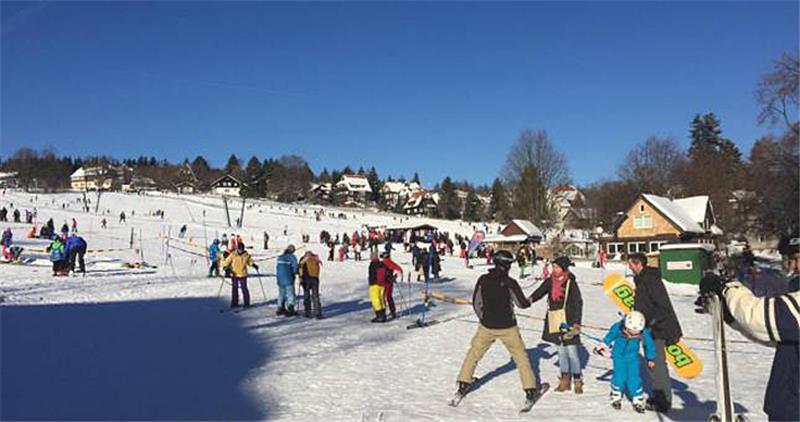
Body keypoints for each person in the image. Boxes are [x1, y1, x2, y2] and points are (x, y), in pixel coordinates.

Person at [699, 232, 799, 422]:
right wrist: (730, 314)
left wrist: (727, 288)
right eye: (791, 260)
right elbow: (775, 332)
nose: (794, 267)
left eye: (797, 259)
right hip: (788, 406)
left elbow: (760, 317)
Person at [454, 250, 544, 404]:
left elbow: (477, 303)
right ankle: (530, 390)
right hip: (508, 327)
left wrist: (484, 318)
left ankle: (463, 382)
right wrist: (530, 300)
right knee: (521, 358)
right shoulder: (510, 282)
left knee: (474, 354)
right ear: (507, 265)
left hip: (486, 326)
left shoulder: (483, 279)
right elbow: (521, 304)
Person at [627, 252, 682, 413]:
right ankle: (659, 396)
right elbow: (646, 304)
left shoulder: (650, 279)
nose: (629, 267)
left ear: (638, 264)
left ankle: (663, 400)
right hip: (648, 328)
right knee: (652, 364)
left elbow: (662, 306)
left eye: (631, 264)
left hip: (659, 329)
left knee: (657, 365)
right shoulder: (641, 280)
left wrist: (650, 323)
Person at [529, 256, 585, 394]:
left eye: (556, 267)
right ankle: (565, 379)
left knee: (572, 352)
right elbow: (540, 292)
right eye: (553, 266)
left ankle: (577, 380)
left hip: (569, 321)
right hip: (554, 320)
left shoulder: (571, 283)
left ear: (563, 268)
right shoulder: (550, 281)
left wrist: (577, 323)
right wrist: (530, 299)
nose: (553, 269)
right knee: (561, 351)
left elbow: (578, 303)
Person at [595, 311, 656, 413]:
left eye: (636, 333)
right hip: (618, 357)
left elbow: (649, 345)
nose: (633, 335)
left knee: (634, 378)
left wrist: (650, 358)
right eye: (631, 332)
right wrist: (602, 345)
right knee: (619, 376)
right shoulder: (618, 328)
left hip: (633, 358)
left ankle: (637, 398)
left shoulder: (643, 332)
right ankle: (616, 394)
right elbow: (609, 336)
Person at [221, 242, 259, 308]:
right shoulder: (233, 254)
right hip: (234, 274)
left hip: (243, 274)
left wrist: (253, 265)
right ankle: (234, 303)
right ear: (237, 248)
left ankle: (247, 303)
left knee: (244, 289)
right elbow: (227, 261)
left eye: (241, 249)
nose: (240, 250)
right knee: (234, 289)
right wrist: (225, 267)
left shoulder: (246, 255)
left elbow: (250, 261)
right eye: (239, 249)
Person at [298, 251, 323, 319]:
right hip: (315, 279)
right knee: (315, 296)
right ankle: (318, 313)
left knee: (307, 295)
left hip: (306, 279)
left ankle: (308, 312)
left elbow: (300, 268)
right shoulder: (315, 258)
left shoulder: (303, 259)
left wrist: (300, 277)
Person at [275, 245, 299, 316]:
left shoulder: (280, 257)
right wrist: (295, 273)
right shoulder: (292, 258)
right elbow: (295, 268)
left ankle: (280, 307)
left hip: (280, 279)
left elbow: (277, 267)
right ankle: (290, 307)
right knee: (290, 293)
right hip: (288, 278)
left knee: (281, 293)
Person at [380, 251, 404, 320]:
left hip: (382, 283)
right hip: (389, 282)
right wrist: (394, 276)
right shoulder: (391, 263)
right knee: (389, 297)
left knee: (382, 297)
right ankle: (393, 312)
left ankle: (383, 313)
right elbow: (400, 270)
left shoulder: (381, 263)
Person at [367, 251, 388, 322]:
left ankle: (379, 316)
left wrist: (371, 282)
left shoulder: (373, 264)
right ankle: (383, 315)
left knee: (375, 299)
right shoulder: (382, 264)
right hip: (382, 284)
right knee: (382, 299)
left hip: (375, 284)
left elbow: (372, 275)